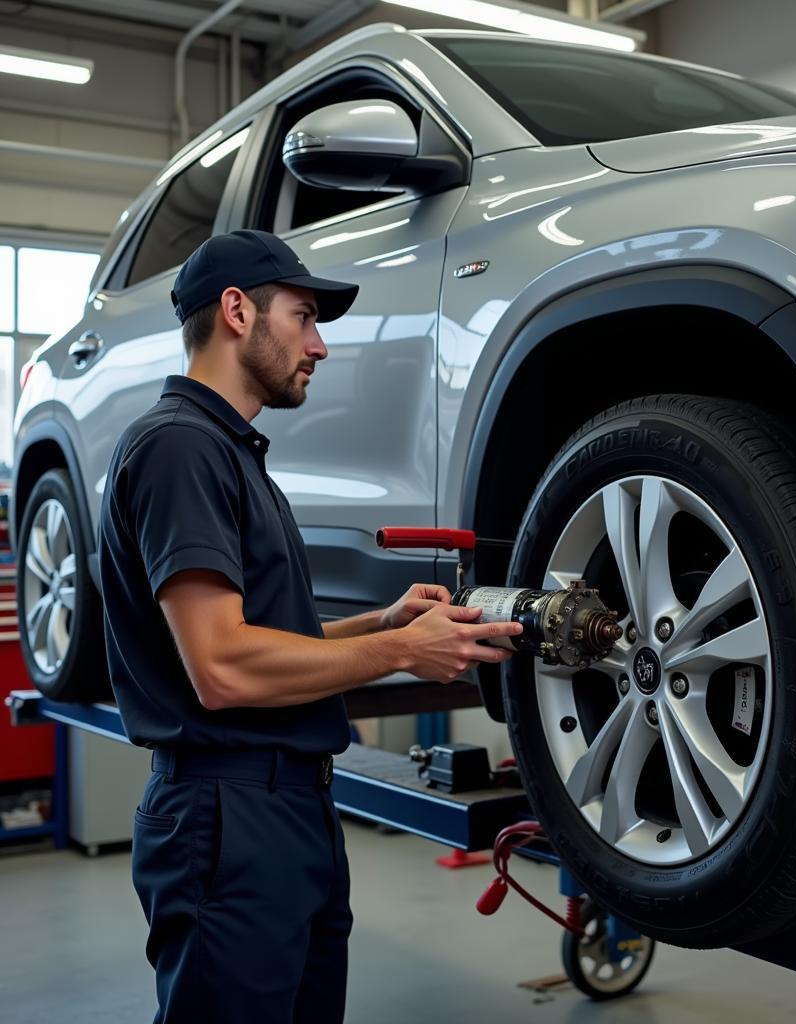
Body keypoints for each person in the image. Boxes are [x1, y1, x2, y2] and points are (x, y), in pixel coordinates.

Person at [96, 229, 522, 1024]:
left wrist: (381, 622)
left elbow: (261, 639)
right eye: (303, 317)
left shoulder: (230, 454)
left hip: (286, 811)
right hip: (229, 817)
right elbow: (221, 670)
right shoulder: (180, 450)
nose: (319, 346)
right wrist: (400, 651)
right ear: (235, 311)